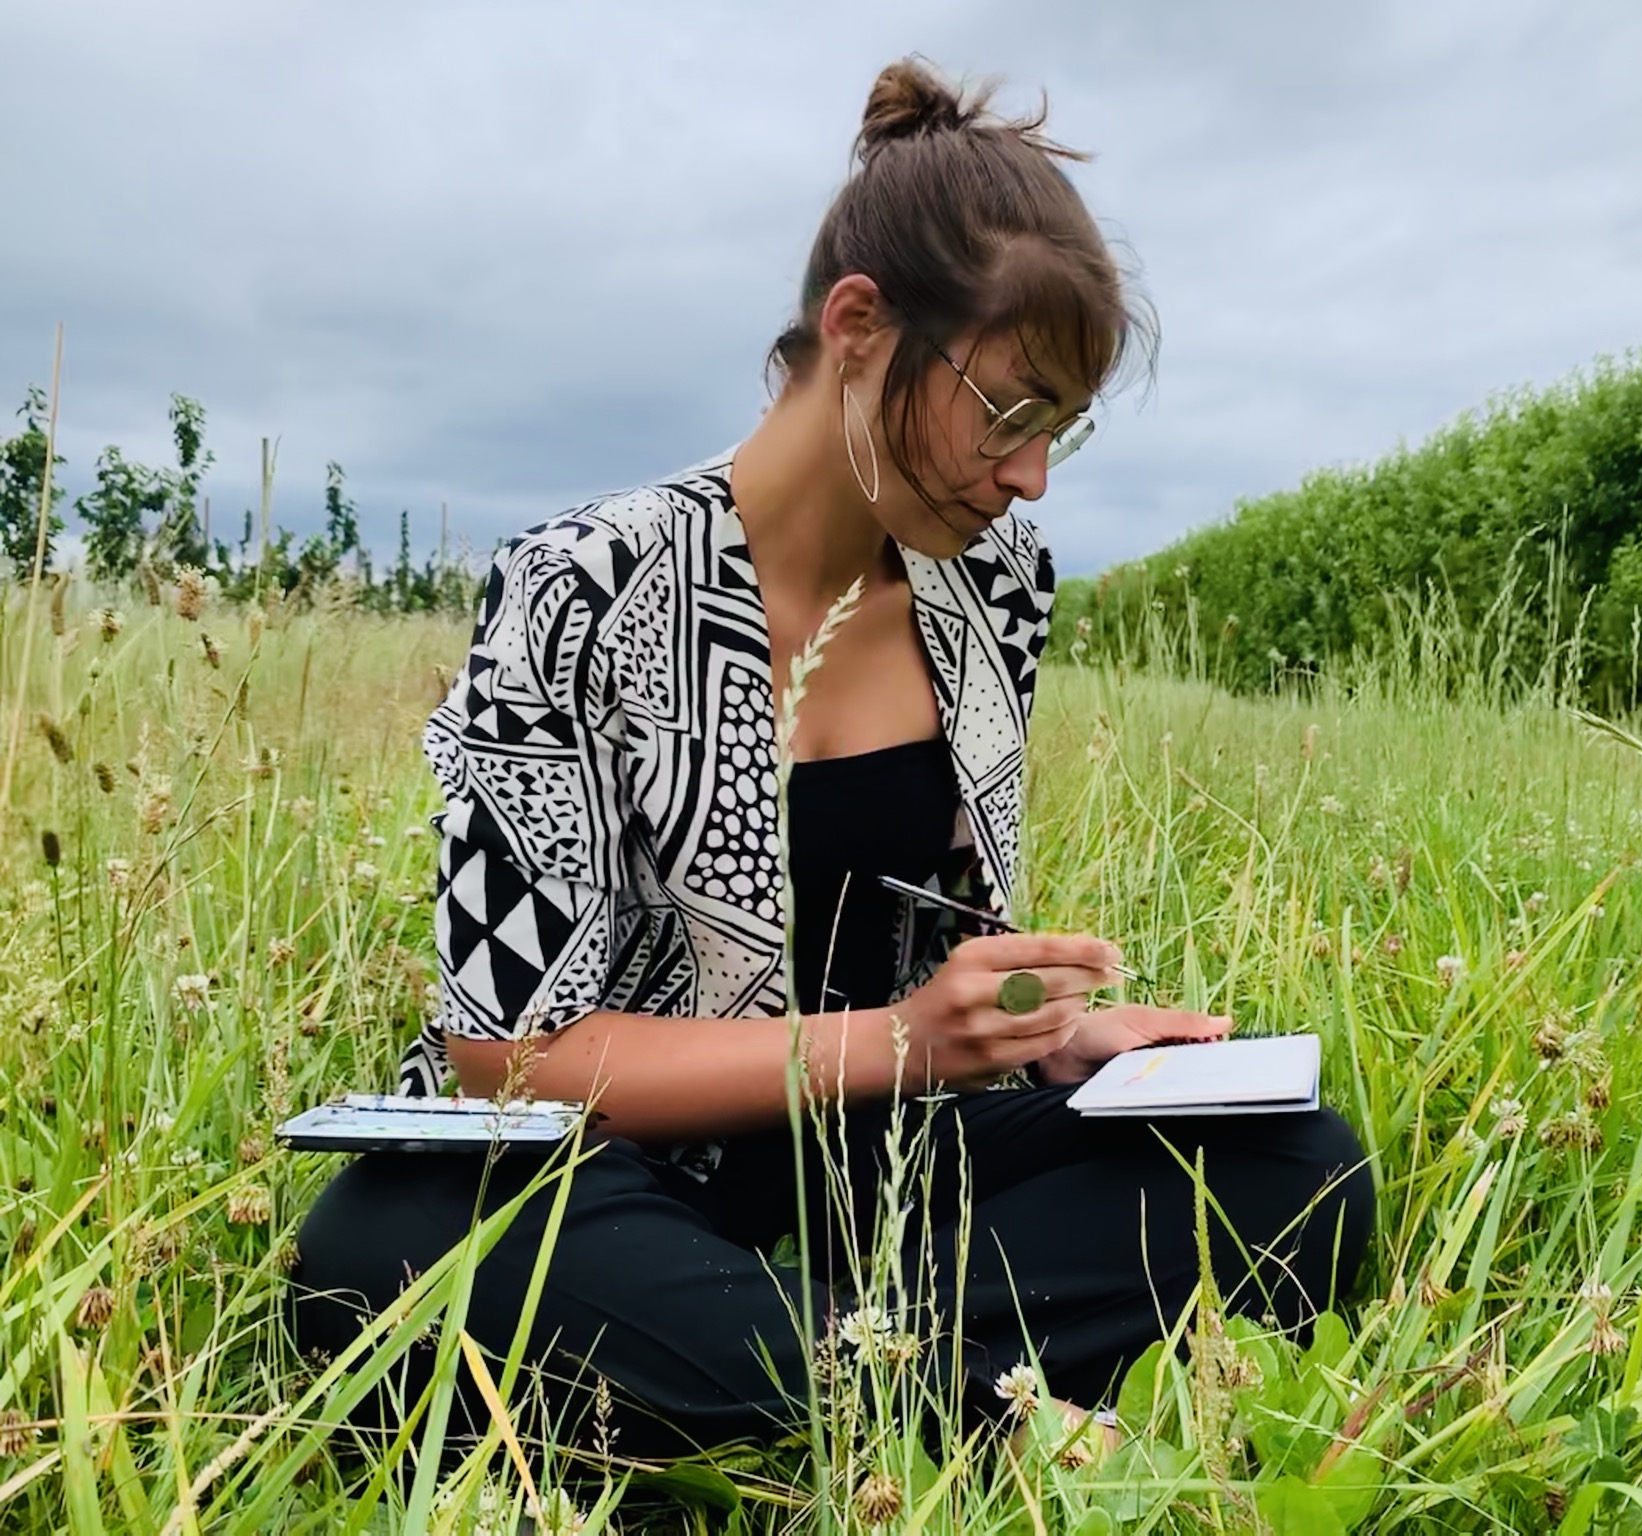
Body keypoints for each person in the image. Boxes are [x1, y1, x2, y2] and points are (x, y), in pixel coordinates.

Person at [291, 57, 1371, 1461]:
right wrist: (906, 1043)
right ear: (858, 327)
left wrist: (1045, 1040)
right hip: (611, 1182)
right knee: (382, 1244)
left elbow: (932, 969)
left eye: (1059, 429)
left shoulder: (997, 588)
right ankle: (964, 1403)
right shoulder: (580, 584)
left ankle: (790, 1377)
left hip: (884, 1165)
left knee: (1303, 1170)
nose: (1031, 475)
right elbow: (512, 1059)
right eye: (1009, 411)